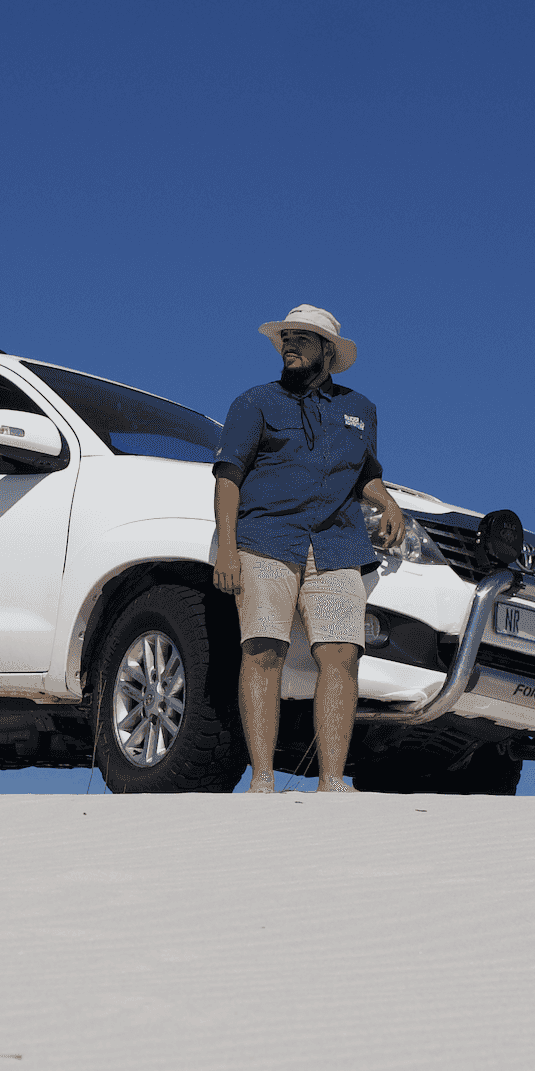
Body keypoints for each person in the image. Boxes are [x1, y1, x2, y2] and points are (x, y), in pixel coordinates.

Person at [212, 304, 409, 793]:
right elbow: (228, 477)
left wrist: (388, 502)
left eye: (303, 338)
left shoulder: (361, 410)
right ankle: (261, 779)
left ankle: (332, 781)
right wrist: (228, 549)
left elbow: (366, 473)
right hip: (266, 540)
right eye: (286, 337)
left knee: (343, 654)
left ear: (328, 350)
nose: (290, 345)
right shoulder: (254, 402)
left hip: (338, 544)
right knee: (262, 651)